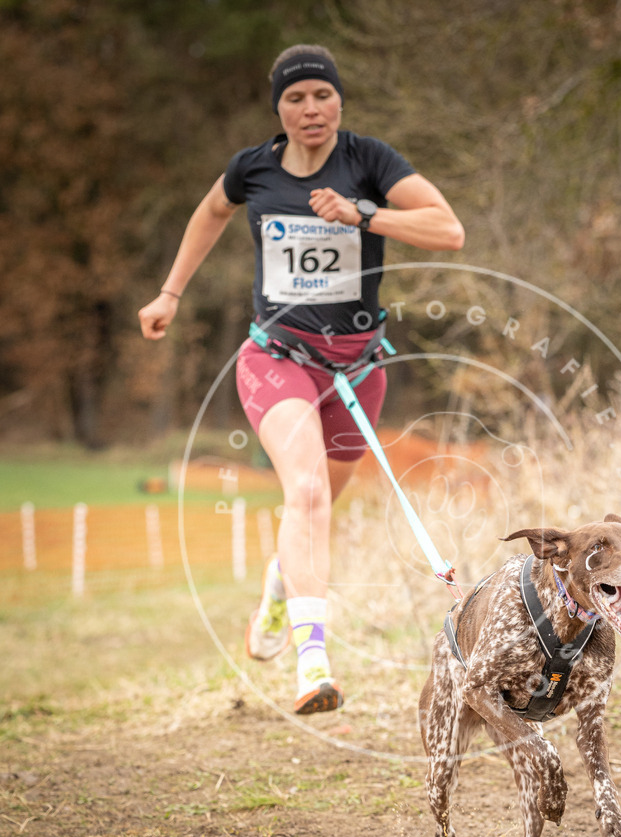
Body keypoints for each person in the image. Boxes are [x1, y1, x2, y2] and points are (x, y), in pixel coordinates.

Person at [138, 44, 464, 715]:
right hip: (278, 357)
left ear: (338, 100)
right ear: (277, 106)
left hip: (357, 369)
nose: (311, 109)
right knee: (307, 493)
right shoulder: (251, 169)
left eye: (322, 95)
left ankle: (279, 589)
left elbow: (447, 230)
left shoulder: (369, 162)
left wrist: (364, 214)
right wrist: (169, 294)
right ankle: (313, 664)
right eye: (296, 98)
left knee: (318, 506)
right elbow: (208, 213)